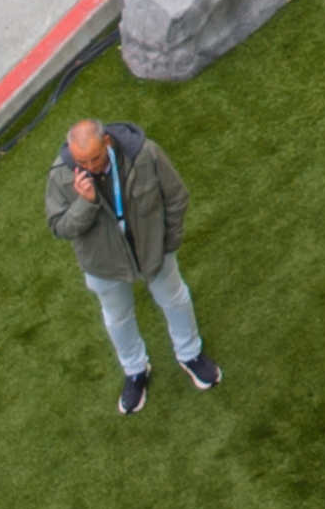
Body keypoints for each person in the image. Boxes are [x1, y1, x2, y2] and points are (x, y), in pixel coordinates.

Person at [50, 110, 217, 409]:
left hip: (154, 251)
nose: (89, 167)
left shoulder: (145, 154)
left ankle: (190, 353)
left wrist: (169, 242)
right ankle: (135, 371)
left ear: (108, 142)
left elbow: (176, 197)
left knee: (175, 300)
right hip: (104, 265)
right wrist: (84, 203)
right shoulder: (61, 175)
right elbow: (60, 227)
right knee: (117, 318)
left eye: (95, 158)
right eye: (82, 162)